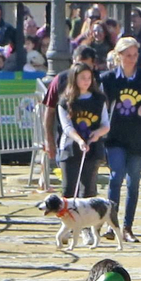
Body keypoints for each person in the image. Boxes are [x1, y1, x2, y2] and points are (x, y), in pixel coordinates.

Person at [100, 36, 141, 242]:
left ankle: (127, 227)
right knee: (116, 178)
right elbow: (101, 105)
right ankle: (110, 224)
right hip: (115, 136)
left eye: (135, 55)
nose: (132, 59)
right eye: (128, 55)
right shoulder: (108, 78)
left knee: (133, 182)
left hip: (138, 137)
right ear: (119, 56)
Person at [56, 64, 109, 200]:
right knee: (69, 190)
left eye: (88, 78)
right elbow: (67, 127)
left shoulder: (99, 99)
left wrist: (97, 134)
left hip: (92, 149)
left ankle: (87, 219)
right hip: (70, 148)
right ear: (74, 79)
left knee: (88, 191)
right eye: (82, 78)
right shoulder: (65, 101)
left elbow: (105, 124)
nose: (86, 81)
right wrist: (79, 140)